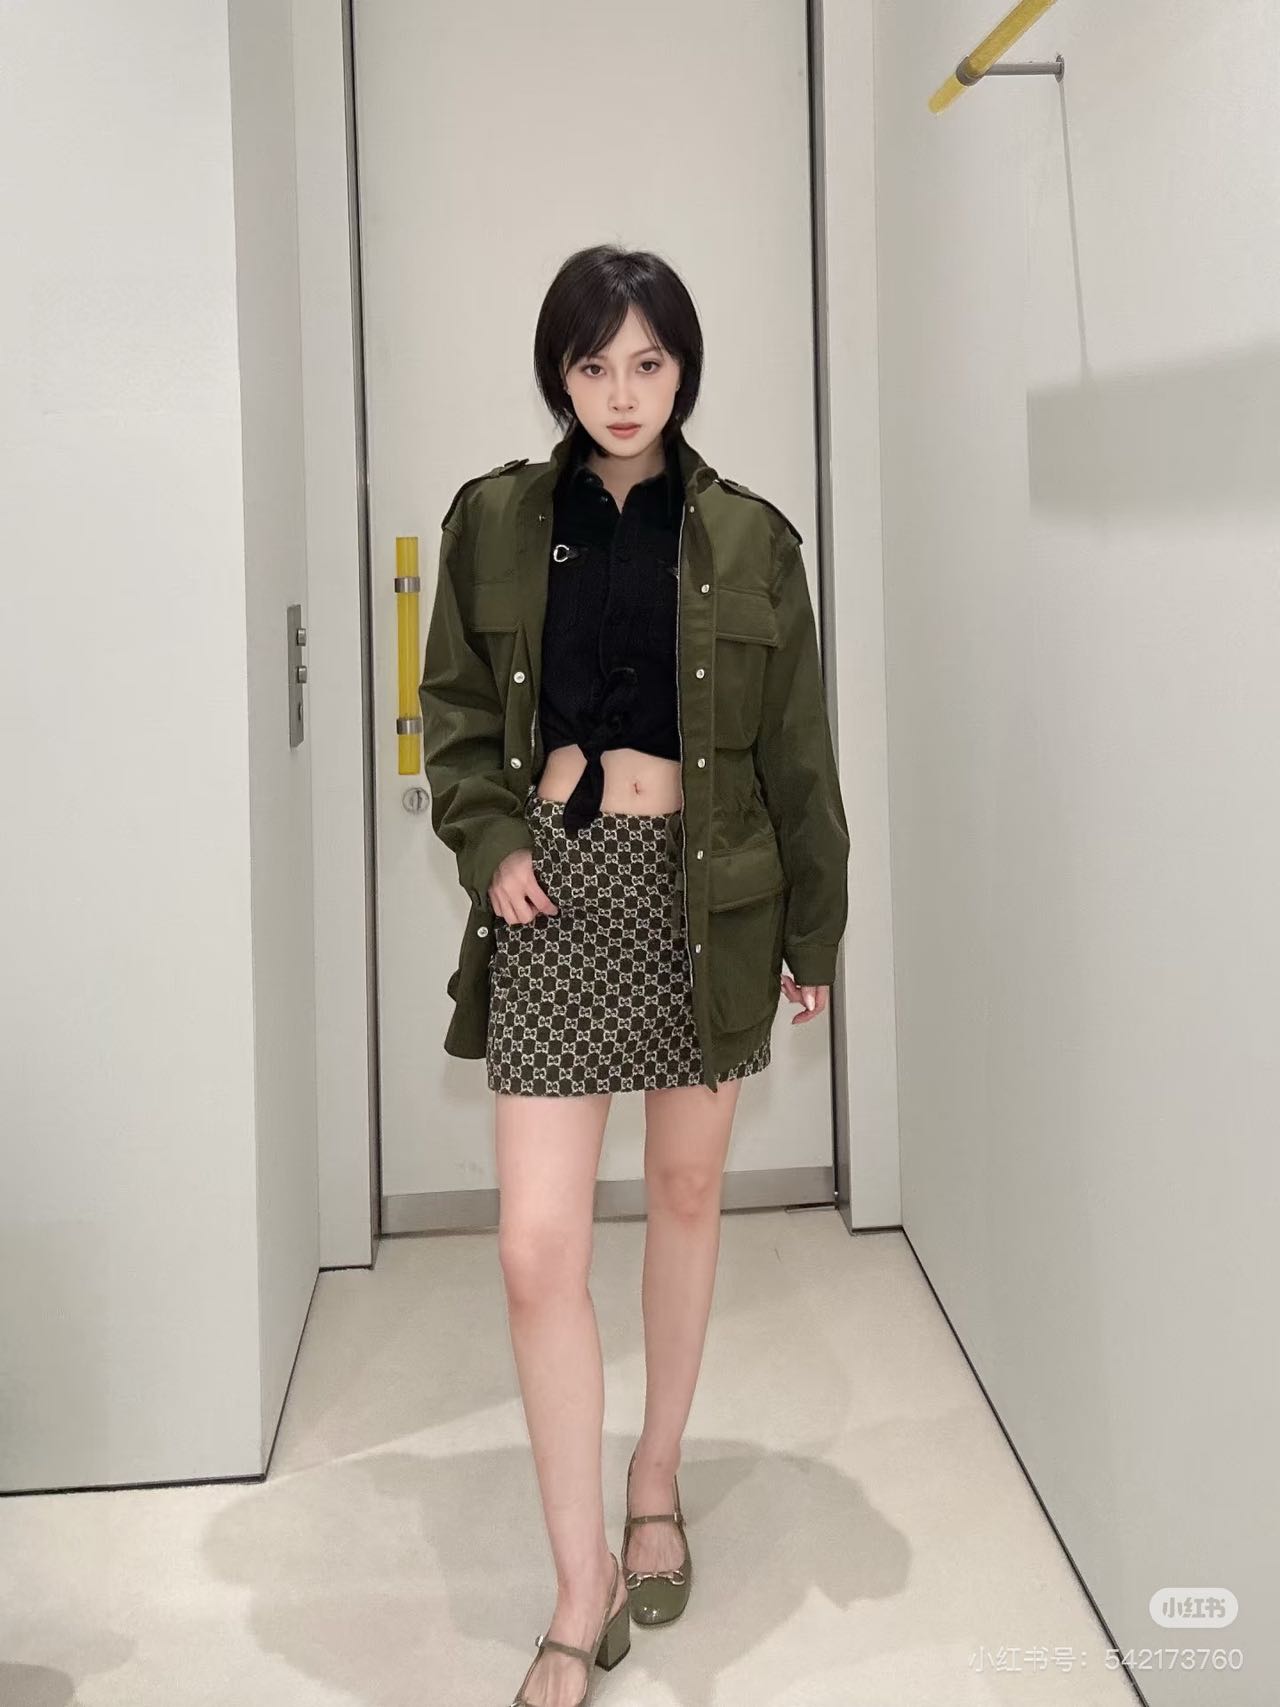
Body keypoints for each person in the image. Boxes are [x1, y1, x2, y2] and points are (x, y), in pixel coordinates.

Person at [419, 244, 850, 1707]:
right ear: (560, 372)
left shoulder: (750, 538)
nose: (621, 391)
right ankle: (575, 1579)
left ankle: (654, 1479)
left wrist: (813, 934)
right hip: (550, 892)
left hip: (706, 894)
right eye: (593, 363)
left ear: (684, 370)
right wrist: (489, 842)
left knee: (683, 1193)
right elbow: (453, 715)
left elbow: (799, 751)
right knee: (535, 1247)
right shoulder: (492, 519)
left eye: (648, 362)